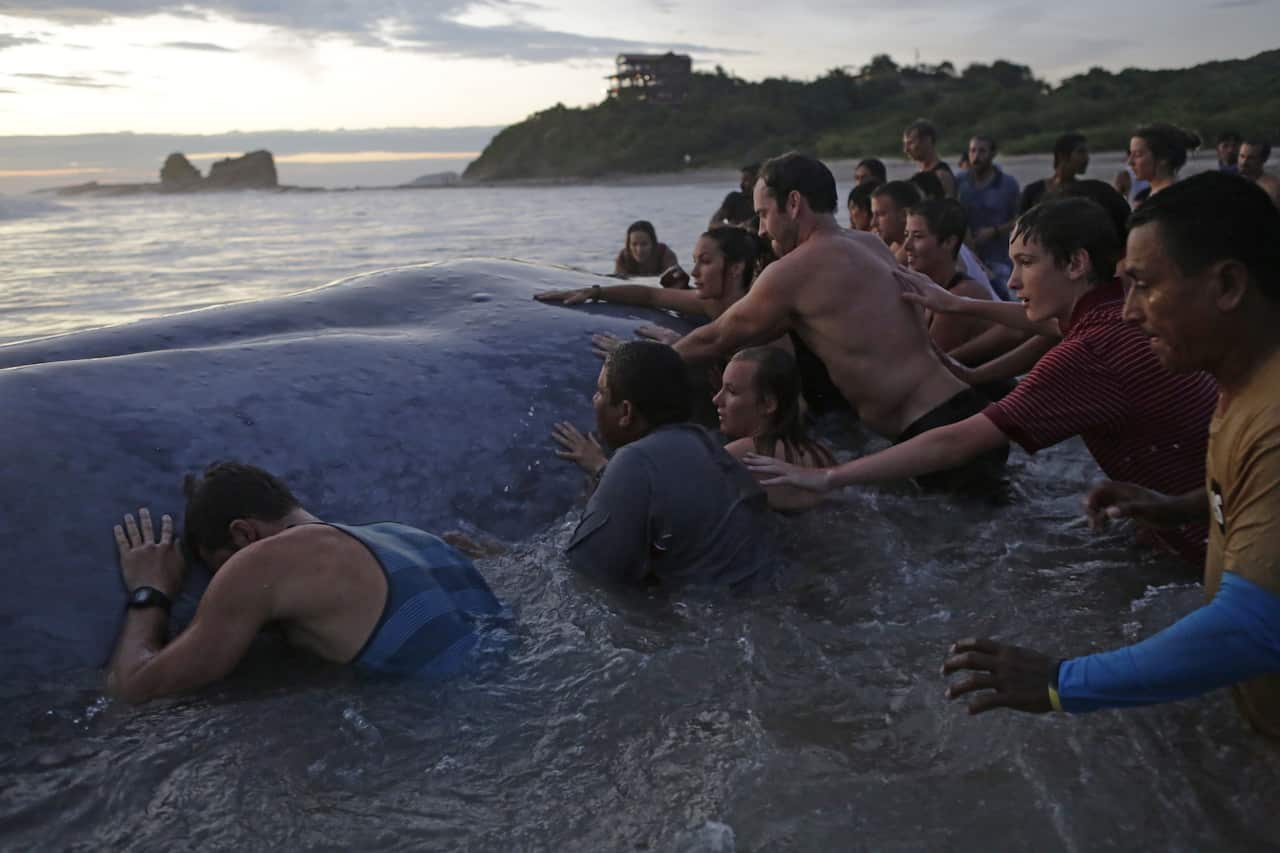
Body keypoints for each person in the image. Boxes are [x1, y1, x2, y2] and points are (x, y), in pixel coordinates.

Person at [940, 173, 1280, 738]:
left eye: (1144, 286)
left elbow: (1253, 628)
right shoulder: (1239, 379)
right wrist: (1178, 506)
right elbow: (1250, 490)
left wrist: (1061, 683)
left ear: (1226, 285)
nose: (1128, 312)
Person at [748, 196, 1215, 555]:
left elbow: (957, 442)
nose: (1012, 281)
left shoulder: (1087, 354)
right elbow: (1053, 322)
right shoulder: (1120, 313)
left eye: (1026, 264)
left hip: (1207, 542)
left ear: (1077, 263)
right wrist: (959, 303)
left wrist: (829, 478)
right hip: (1199, 508)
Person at [672, 152, 1007, 491]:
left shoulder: (795, 270)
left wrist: (650, 359)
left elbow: (715, 338)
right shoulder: (870, 244)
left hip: (933, 434)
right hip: (969, 412)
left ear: (793, 203)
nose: (760, 229)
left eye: (763, 214)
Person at [106, 462, 504, 703]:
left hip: (458, 718)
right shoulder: (410, 536)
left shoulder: (265, 561)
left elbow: (137, 689)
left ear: (243, 534)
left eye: (218, 570)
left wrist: (150, 592)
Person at [550, 340, 775, 591]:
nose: (594, 400)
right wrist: (604, 469)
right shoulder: (705, 442)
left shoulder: (633, 462)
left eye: (601, 392)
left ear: (626, 412)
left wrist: (500, 555)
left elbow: (582, 576)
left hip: (706, 613)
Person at [714, 346, 836, 512]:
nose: (716, 399)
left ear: (768, 404)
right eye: (720, 388)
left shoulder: (741, 455)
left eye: (732, 392)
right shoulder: (821, 454)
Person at [903, 198, 999, 352]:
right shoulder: (934, 288)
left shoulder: (962, 294)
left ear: (949, 243)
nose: (906, 246)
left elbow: (929, 361)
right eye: (906, 235)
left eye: (918, 236)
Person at [956, 135, 1021, 292]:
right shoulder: (960, 181)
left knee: (1004, 297)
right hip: (967, 258)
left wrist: (995, 231)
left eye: (982, 151)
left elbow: (1019, 220)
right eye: (972, 151)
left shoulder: (1008, 184)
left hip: (999, 259)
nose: (976, 156)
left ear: (993, 154)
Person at [1128, 123, 1201, 203]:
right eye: (1130, 154)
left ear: (1163, 158)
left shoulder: (1168, 202)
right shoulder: (1147, 198)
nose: (1130, 162)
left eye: (1138, 155)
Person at [1019, 132, 1089, 214]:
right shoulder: (1034, 191)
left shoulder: (1086, 192)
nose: (1087, 158)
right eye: (1081, 152)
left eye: (1087, 153)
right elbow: (1020, 222)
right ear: (1062, 156)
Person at [903, 118, 956, 198]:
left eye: (910, 143)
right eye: (905, 144)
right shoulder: (920, 174)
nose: (906, 150)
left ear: (927, 141)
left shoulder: (942, 176)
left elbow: (951, 207)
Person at [614, 220, 680, 278]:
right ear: (628, 245)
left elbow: (677, 284)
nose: (639, 250)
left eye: (644, 244)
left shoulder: (665, 255)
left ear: (653, 244)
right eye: (634, 244)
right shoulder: (623, 258)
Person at [710, 163, 761, 228]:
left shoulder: (768, 201)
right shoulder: (734, 198)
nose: (741, 184)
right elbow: (713, 224)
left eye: (746, 180)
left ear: (758, 181)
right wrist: (739, 227)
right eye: (741, 180)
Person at [1238, 138, 1280, 206]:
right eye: (1242, 156)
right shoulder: (1231, 180)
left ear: (1264, 159)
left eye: (1250, 158)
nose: (1244, 162)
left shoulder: (1272, 189)